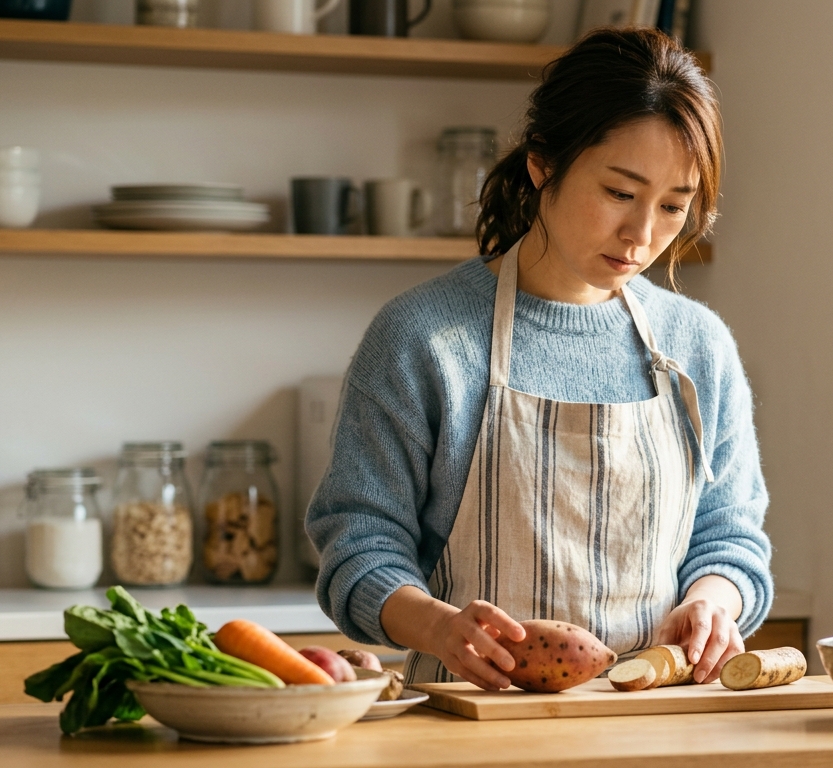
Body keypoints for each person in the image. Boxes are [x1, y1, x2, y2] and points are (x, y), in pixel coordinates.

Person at [307, 26, 772, 690]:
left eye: (674, 206)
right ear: (542, 165)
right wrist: (438, 626)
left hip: (657, 728)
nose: (642, 236)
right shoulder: (424, 337)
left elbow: (731, 536)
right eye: (619, 192)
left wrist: (714, 600)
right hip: (466, 725)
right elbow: (357, 547)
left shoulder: (697, 345)